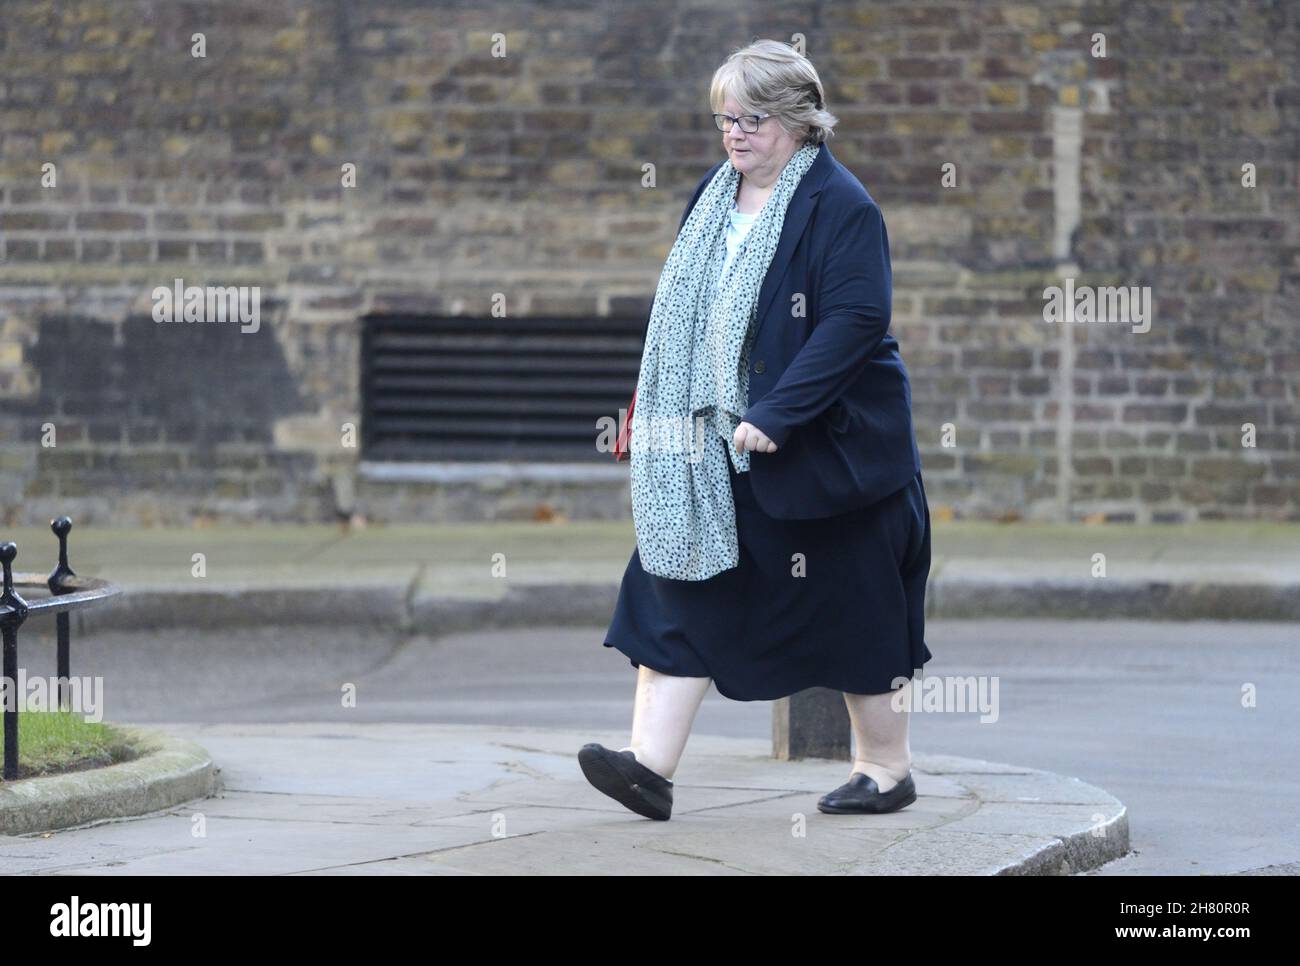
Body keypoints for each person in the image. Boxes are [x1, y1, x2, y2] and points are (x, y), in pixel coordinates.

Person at [580, 39, 932, 821]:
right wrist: (654, 418)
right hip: (712, 454)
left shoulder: (842, 206)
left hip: (831, 462)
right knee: (672, 587)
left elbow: (856, 321)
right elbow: (684, 323)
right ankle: (649, 769)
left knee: (859, 616)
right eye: (725, 120)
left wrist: (777, 414)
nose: (735, 135)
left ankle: (886, 769)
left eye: (753, 120)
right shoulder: (714, 195)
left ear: (802, 122)